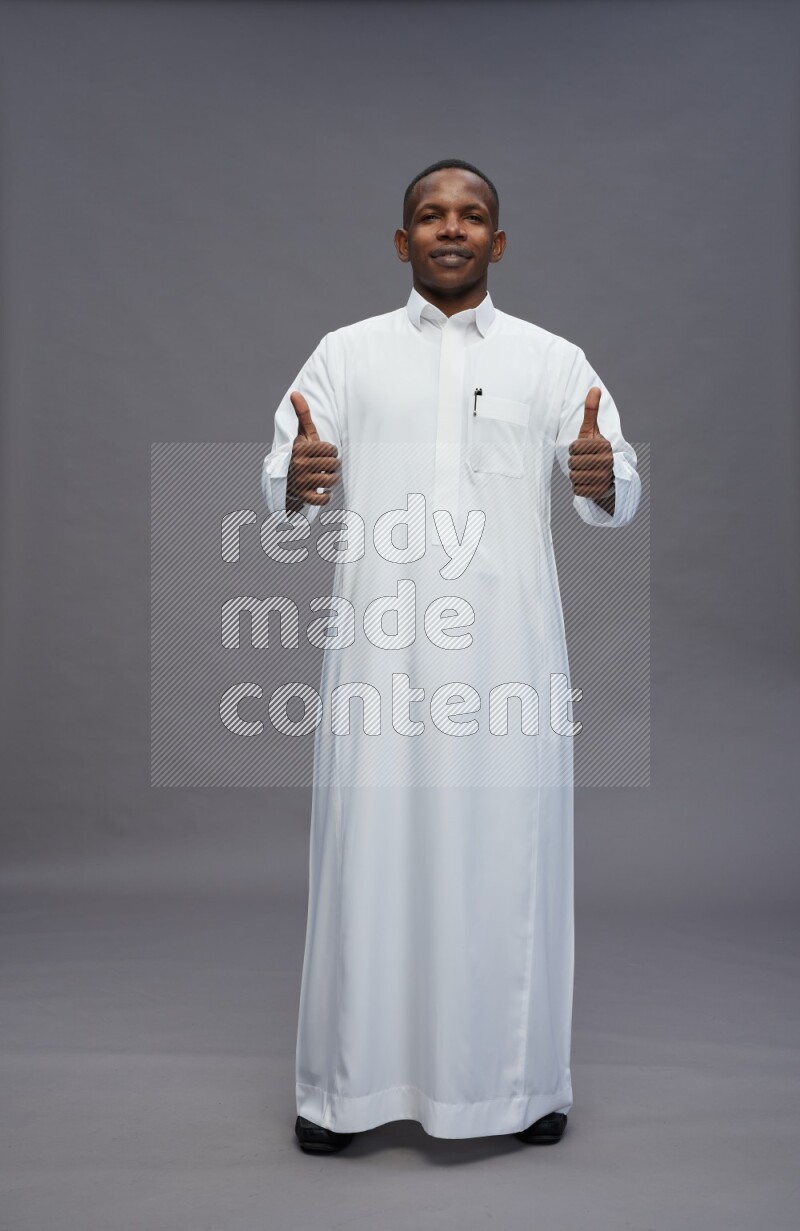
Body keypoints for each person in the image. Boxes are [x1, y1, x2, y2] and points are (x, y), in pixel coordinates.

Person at [261, 159, 641, 1154]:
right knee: (367, 862)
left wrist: (603, 477)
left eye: (470, 216)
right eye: (429, 215)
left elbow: (612, 477)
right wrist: (295, 482)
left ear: (497, 243)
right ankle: (343, 1093)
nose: (449, 228)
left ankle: (518, 1086)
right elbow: (283, 478)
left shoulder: (551, 361)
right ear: (401, 243)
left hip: (506, 663)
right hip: (379, 660)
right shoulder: (342, 356)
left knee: (504, 859)